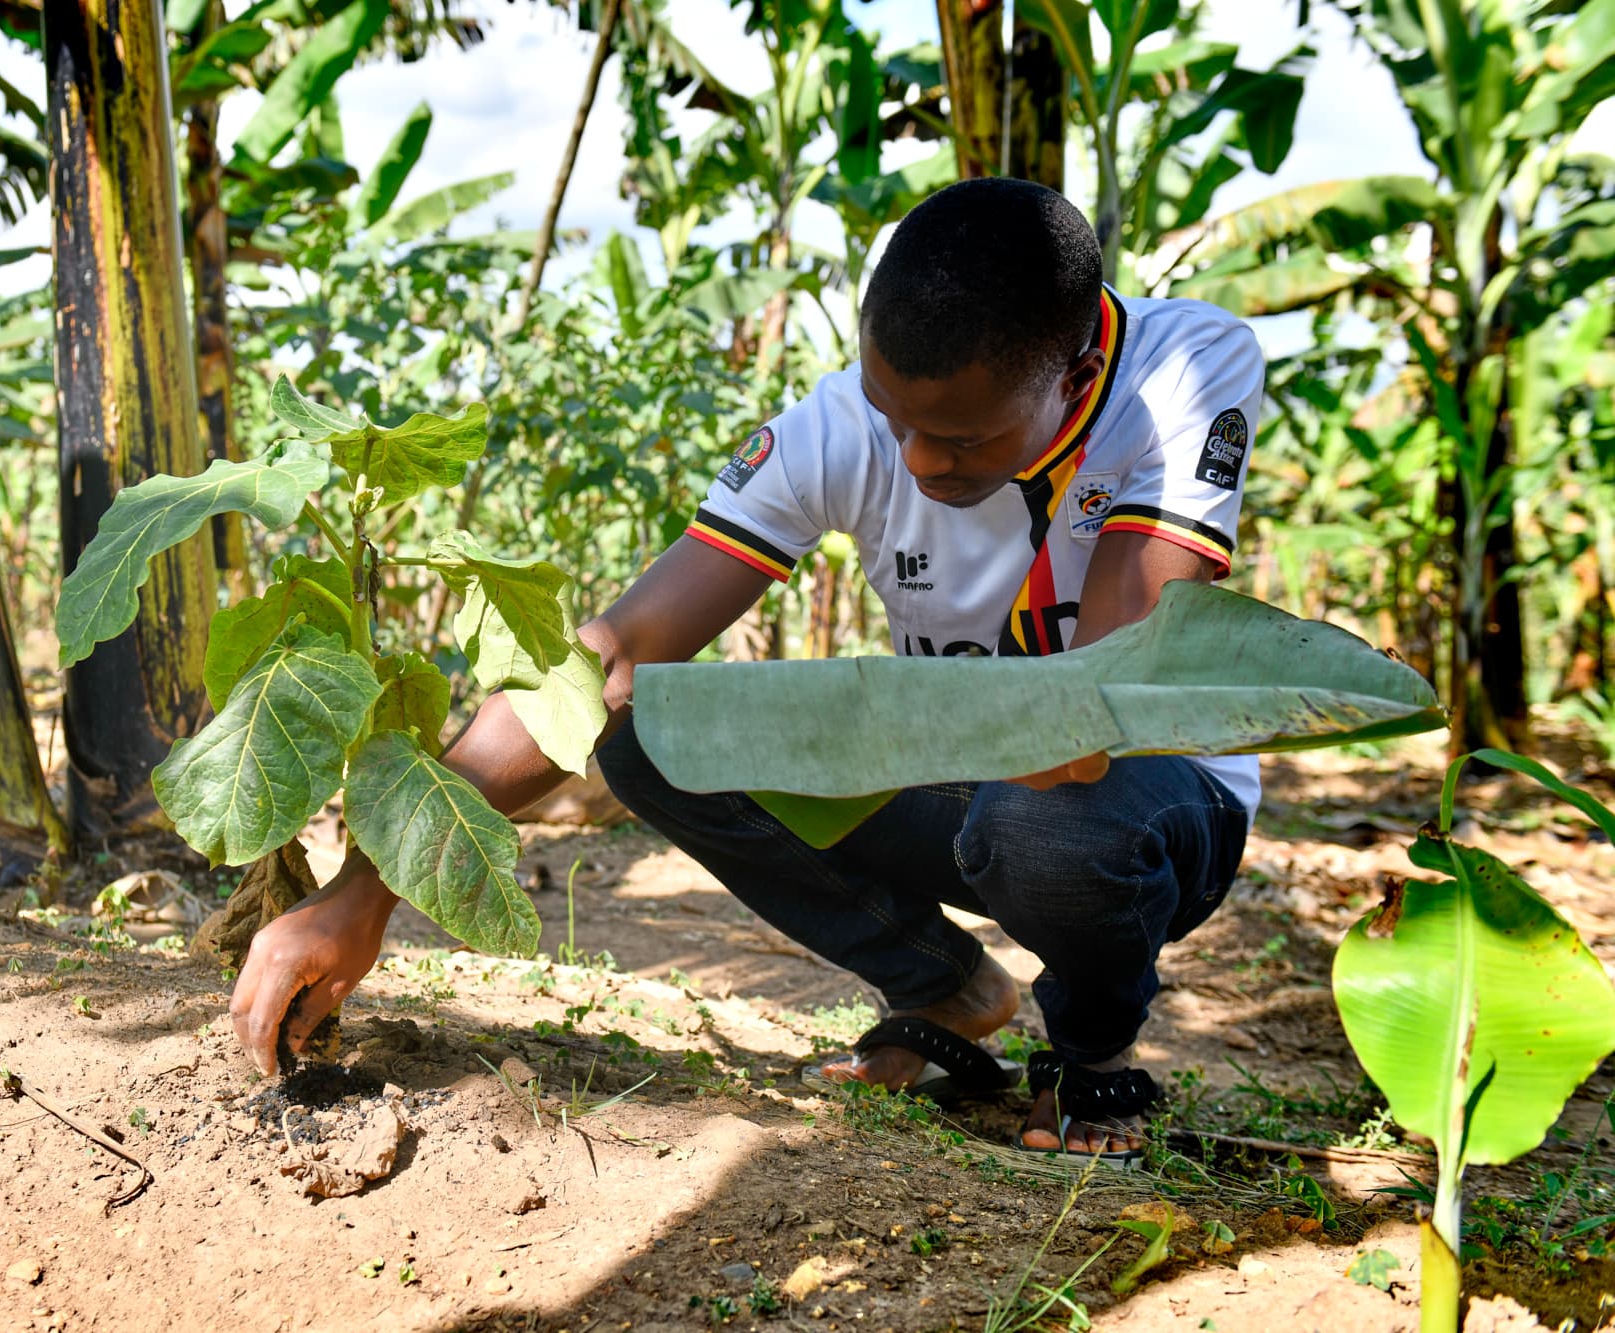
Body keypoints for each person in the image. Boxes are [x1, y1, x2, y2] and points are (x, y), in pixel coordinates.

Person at [229, 178, 1260, 1162]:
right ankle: (942, 985)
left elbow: (1115, 687)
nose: (911, 461)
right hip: (970, 781)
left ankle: (1089, 1048)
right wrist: (368, 884)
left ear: (1073, 382)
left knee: (1042, 816)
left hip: (1148, 796)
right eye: (891, 417)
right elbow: (613, 652)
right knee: (643, 727)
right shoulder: (844, 425)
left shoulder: (1177, 369)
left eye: (955, 438)